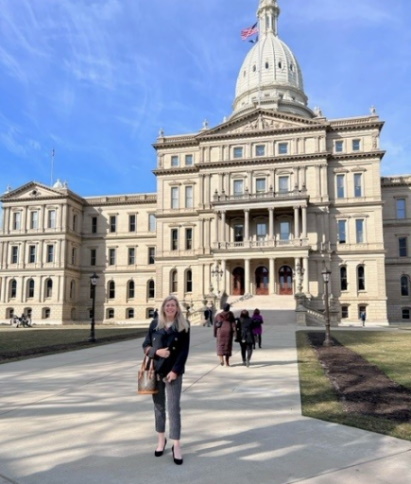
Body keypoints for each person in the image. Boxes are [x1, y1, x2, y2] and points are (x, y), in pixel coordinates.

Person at [142, 295, 190, 465]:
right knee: (159, 407)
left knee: (173, 408)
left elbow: (184, 351)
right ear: (163, 308)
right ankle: (161, 440)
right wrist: (157, 353)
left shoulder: (184, 325)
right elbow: (145, 345)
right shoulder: (155, 324)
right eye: (167, 305)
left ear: (177, 308)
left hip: (173, 374)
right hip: (156, 371)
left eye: (173, 305)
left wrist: (176, 371)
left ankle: (176, 444)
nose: (170, 308)